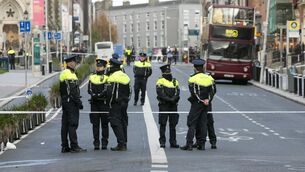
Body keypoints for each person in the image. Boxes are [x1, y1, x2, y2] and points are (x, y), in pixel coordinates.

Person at [180, 59, 215, 151]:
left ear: (195, 68)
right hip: (206, 103)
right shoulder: (209, 78)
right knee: (203, 123)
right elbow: (213, 90)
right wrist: (208, 99)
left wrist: (201, 100)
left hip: (197, 103)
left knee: (191, 123)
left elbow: (193, 93)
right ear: (203, 67)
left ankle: (189, 144)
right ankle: (201, 144)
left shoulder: (192, 78)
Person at [59, 55, 86, 153]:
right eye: (74, 62)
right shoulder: (69, 74)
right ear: (70, 63)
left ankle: (65, 146)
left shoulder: (65, 73)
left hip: (65, 102)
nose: (75, 64)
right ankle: (74, 146)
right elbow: (73, 91)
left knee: (65, 124)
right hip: (71, 103)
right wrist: (79, 102)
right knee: (73, 124)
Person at [106, 58, 131, 151]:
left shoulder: (113, 77)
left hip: (115, 104)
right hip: (124, 103)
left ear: (113, 66)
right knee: (123, 122)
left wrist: (109, 104)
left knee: (115, 123)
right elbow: (130, 91)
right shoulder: (125, 76)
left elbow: (110, 93)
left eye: (111, 65)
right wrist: (126, 101)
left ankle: (121, 144)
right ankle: (124, 142)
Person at [156, 64, 180, 148]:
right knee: (163, 124)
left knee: (173, 124)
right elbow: (160, 93)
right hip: (164, 105)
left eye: (169, 71)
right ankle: (162, 142)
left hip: (173, 105)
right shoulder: (160, 81)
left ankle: (173, 142)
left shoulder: (175, 81)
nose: (168, 72)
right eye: (166, 71)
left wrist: (173, 99)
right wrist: (169, 99)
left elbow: (177, 92)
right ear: (163, 73)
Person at [88, 58, 109, 150]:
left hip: (103, 103)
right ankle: (96, 143)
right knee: (95, 124)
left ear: (104, 67)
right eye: (97, 66)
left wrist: (100, 95)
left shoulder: (107, 77)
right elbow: (89, 88)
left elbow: (106, 89)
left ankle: (104, 142)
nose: (98, 68)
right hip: (94, 103)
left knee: (104, 124)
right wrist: (93, 94)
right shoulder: (92, 76)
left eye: (100, 66)